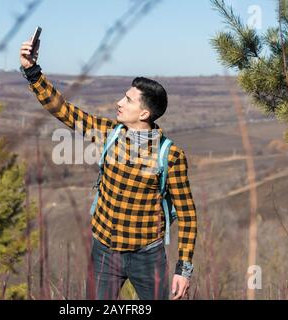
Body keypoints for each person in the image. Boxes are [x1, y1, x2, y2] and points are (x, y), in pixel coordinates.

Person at [19, 35, 197, 300]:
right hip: (104, 251)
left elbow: (188, 214)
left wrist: (184, 269)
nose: (119, 102)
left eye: (128, 100)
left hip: (147, 256)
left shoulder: (169, 155)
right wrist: (32, 71)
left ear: (144, 114)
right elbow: (64, 110)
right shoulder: (108, 133)